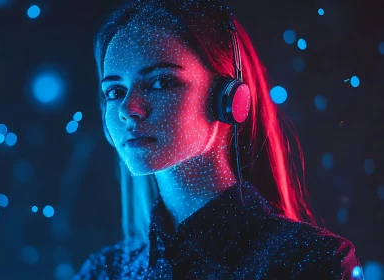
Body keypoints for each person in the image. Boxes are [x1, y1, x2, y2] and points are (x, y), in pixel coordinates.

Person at [75, 0, 363, 278]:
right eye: (115, 91)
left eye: (161, 82)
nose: (128, 109)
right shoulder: (105, 271)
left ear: (228, 99)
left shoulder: (310, 262)